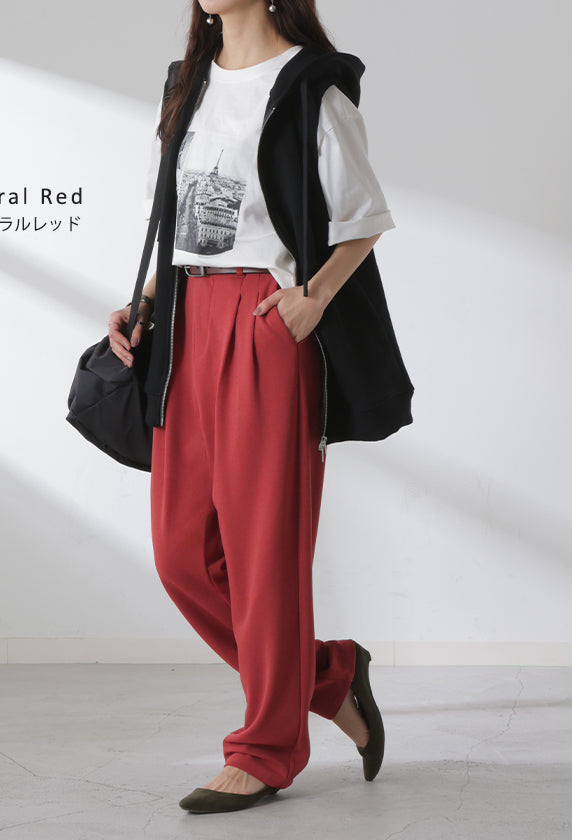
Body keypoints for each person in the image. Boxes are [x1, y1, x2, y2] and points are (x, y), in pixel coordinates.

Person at [107, 0, 413, 815]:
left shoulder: (312, 86)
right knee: (182, 555)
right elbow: (173, 216)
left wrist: (312, 299)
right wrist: (144, 302)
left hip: (264, 321)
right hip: (182, 320)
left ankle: (266, 750)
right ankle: (330, 676)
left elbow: (364, 217)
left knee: (264, 557)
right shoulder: (187, 83)